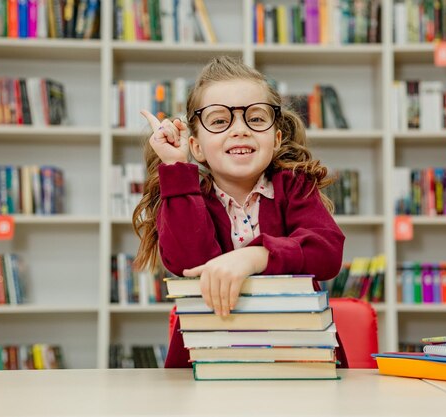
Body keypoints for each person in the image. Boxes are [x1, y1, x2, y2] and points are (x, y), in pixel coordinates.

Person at [132, 56, 346, 368]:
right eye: (219, 121)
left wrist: (254, 256)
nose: (240, 130)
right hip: (206, 363)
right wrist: (176, 167)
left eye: (256, 119)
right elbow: (186, 261)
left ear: (275, 139)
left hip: (297, 362)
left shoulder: (296, 186)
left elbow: (326, 253)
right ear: (197, 146)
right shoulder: (187, 196)